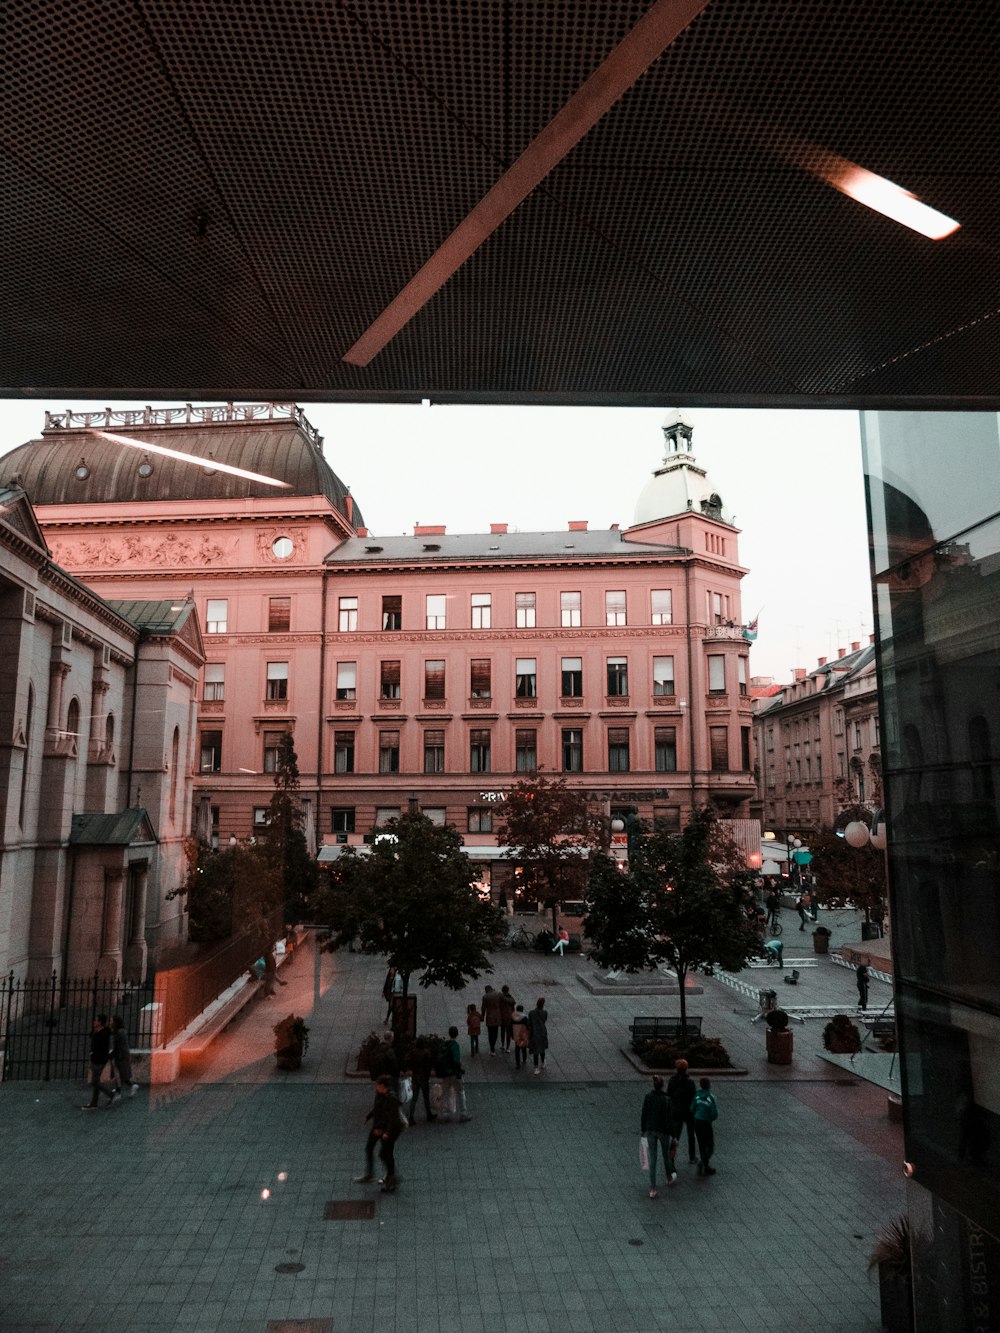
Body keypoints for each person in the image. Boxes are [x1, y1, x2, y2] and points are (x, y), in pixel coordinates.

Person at [355, 1075, 404, 1192]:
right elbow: (377, 1108)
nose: (376, 1087)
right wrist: (369, 1116)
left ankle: (391, 1178)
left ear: (383, 1086)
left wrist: (387, 1132)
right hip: (377, 1127)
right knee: (369, 1148)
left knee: (385, 1154)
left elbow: (393, 1118)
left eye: (378, 1085)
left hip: (387, 1130)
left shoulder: (391, 1098)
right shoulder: (380, 1094)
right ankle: (371, 1174)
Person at [640, 1075, 677, 1199]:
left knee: (653, 1158)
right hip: (663, 1131)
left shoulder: (648, 1097)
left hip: (651, 1130)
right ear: (662, 1086)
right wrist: (674, 1134)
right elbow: (670, 1119)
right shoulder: (667, 1100)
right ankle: (669, 1177)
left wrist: (643, 1129)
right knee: (666, 1155)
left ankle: (653, 1188)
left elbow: (644, 1113)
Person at [81, 1014, 116, 1110]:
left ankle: (111, 1095)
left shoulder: (102, 1034)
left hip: (99, 1060)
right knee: (95, 1081)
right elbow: (91, 1036)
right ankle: (94, 1103)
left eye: (96, 1020)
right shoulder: (99, 1032)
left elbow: (99, 1048)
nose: (94, 1022)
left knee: (94, 1082)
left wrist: (93, 1059)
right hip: (98, 1059)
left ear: (100, 1022)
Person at [666, 1058, 697, 1164]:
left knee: (676, 1135)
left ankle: (671, 1155)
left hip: (677, 1110)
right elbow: (694, 1097)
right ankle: (692, 1157)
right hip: (689, 1112)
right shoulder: (690, 1082)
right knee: (691, 1134)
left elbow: (669, 1094)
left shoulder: (672, 1080)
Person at [437, 1025, 470, 1122]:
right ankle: (463, 1114)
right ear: (457, 1034)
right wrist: (459, 1070)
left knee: (445, 1093)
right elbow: (456, 1061)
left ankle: (444, 1114)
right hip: (454, 1074)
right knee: (460, 1092)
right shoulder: (455, 1046)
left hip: (445, 1074)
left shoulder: (445, 1045)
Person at [403, 1036, 436, 1123]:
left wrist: (410, 1068)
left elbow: (407, 1060)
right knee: (426, 1097)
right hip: (424, 1077)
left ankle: (411, 1116)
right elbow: (428, 1065)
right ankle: (429, 1114)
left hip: (415, 1076)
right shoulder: (426, 1052)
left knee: (414, 1098)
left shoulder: (413, 1052)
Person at [691, 1077, 719, 1176]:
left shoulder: (697, 1095)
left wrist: (696, 1116)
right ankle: (703, 1161)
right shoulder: (710, 1097)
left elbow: (692, 1108)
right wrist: (709, 1119)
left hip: (697, 1122)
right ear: (709, 1085)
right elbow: (714, 1113)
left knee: (702, 1144)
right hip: (706, 1123)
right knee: (710, 1146)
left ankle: (705, 1166)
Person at [110, 1015, 139, 1097]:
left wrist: (118, 1055)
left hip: (121, 1056)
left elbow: (122, 1046)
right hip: (119, 1055)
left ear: (116, 1022)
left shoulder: (120, 1033)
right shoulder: (119, 1032)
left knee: (120, 1074)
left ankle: (124, 1089)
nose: (110, 1023)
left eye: (111, 1021)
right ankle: (120, 1088)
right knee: (120, 1074)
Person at [526, 996, 548, 1074]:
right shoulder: (545, 1012)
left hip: (534, 1034)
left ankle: (536, 1067)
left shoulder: (531, 1013)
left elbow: (529, 1023)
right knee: (542, 1049)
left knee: (535, 1051)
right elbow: (544, 1020)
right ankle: (543, 1062)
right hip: (542, 1032)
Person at [480, 984, 503, 1055]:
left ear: (486, 990)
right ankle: (493, 1045)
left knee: (490, 1033)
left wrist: (482, 1017)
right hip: (497, 1017)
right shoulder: (498, 994)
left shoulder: (485, 997)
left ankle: (492, 1048)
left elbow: (483, 1008)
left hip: (490, 1017)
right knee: (495, 1032)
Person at [512, 1004, 530, 1069]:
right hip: (523, 1035)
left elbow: (510, 1026)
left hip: (516, 1035)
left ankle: (517, 1063)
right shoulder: (524, 1018)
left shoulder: (513, 1017)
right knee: (523, 1047)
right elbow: (528, 1027)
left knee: (517, 1049)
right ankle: (524, 1059)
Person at [499, 984, 516, 1052]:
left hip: (502, 1016)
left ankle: (503, 1045)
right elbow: (513, 1008)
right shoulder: (511, 998)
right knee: (508, 1032)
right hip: (509, 1017)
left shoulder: (500, 998)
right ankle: (508, 1047)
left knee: (502, 1031)